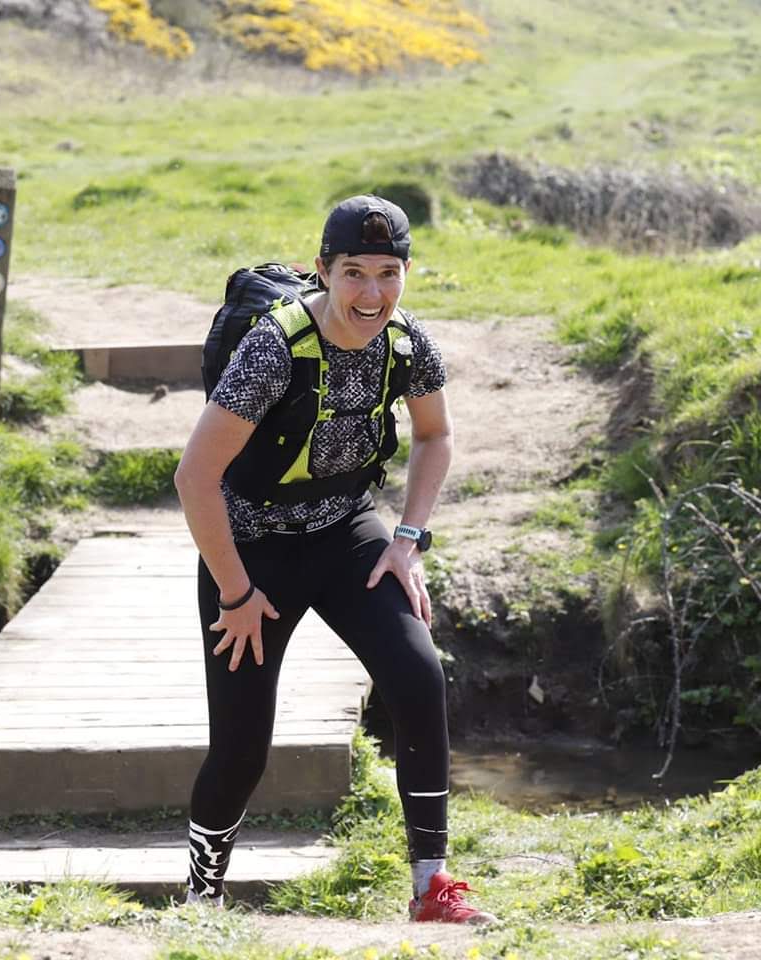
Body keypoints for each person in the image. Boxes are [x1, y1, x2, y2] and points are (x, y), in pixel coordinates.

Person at [173, 195, 495, 925]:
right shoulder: (273, 349)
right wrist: (234, 593)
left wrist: (408, 540)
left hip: (346, 532)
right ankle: (201, 896)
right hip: (249, 552)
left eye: (389, 274)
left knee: (418, 680)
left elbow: (434, 436)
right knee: (242, 747)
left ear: (407, 272)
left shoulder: (407, 343)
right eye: (354, 273)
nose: (372, 294)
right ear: (322, 271)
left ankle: (431, 889)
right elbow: (195, 477)